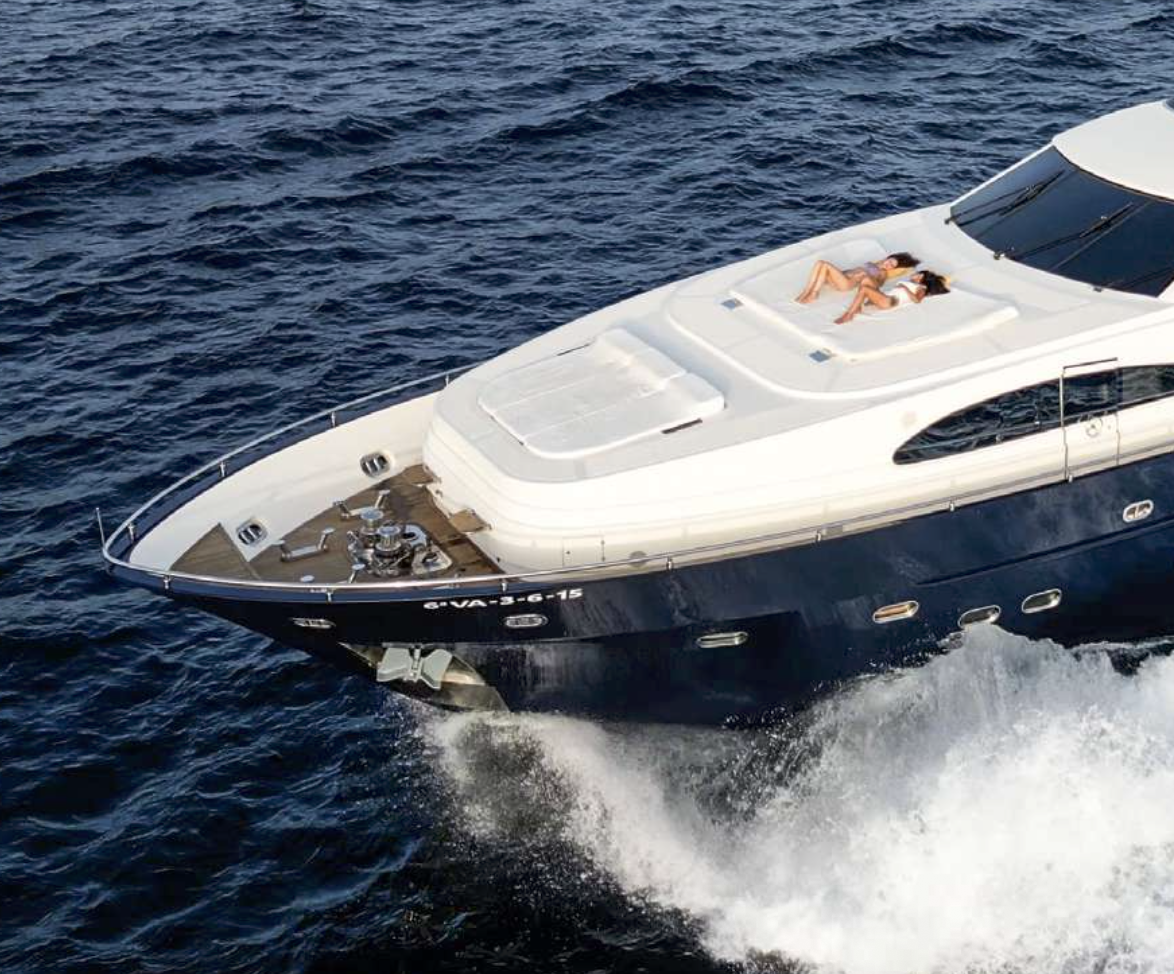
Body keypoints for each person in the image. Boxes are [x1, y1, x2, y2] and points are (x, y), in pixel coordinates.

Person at [795, 252, 919, 304]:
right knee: (820, 265)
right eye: (890, 261)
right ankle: (808, 291)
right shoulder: (875, 263)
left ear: (892, 269)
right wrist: (840, 273)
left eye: (892, 266)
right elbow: (855, 270)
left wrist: (866, 276)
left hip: (846, 283)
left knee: (823, 263)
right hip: (842, 277)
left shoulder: (883, 273)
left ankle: (811, 293)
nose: (889, 265)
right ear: (888, 257)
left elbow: (877, 284)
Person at [833, 270, 950, 325]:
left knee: (864, 288)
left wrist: (905, 288)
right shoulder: (911, 282)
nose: (915, 274)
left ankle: (849, 315)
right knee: (866, 279)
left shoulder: (921, 287)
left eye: (918, 274)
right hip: (884, 297)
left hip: (889, 302)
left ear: (921, 278)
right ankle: (858, 307)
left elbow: (917, 300)